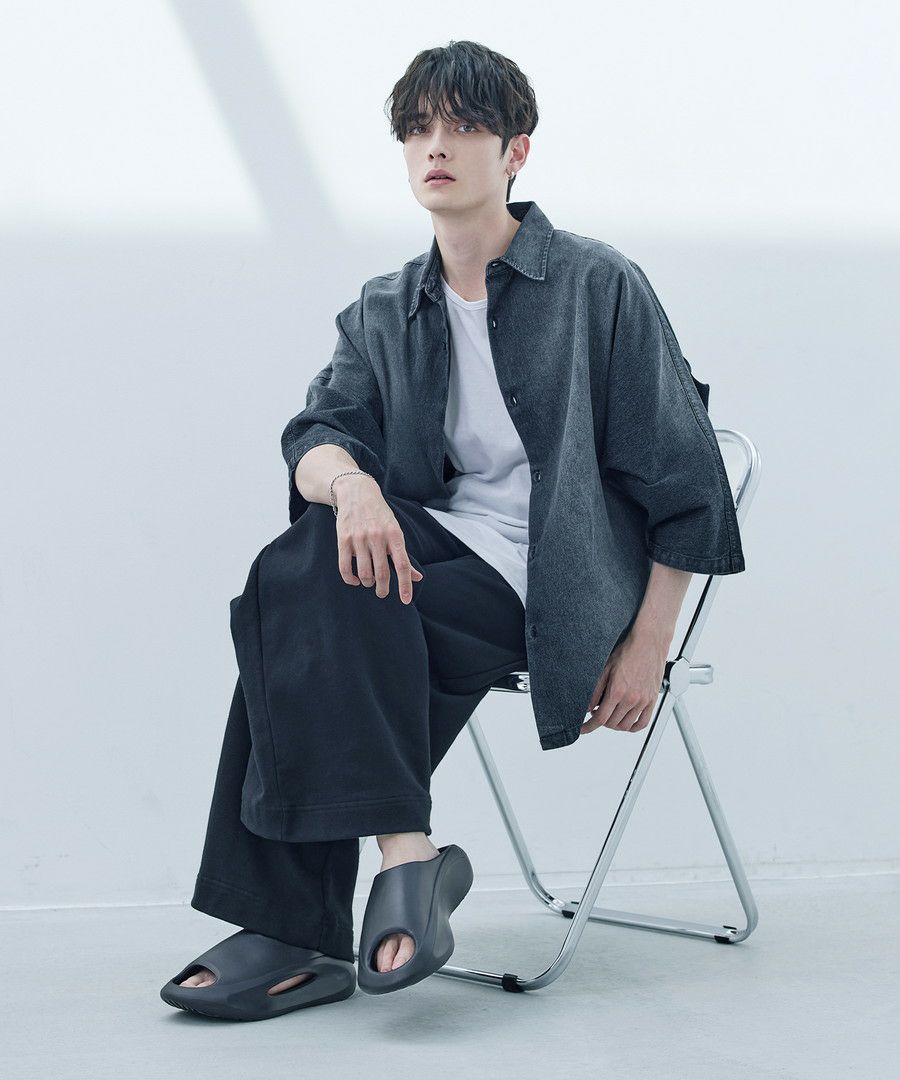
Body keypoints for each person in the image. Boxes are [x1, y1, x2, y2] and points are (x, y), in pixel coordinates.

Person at [160, 38, 745, 1019]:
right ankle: (407, 857)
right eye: (419, 127)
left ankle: (289, 931)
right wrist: (353, 488)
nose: (436, 145)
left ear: (516, 152)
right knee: (310, 569)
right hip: (427, 563)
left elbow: (688, 481)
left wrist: (650, 645)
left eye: (465, 126)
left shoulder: (597, 285)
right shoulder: (387, 309)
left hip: (558, 585)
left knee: (301, 599)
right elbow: (314, 437)